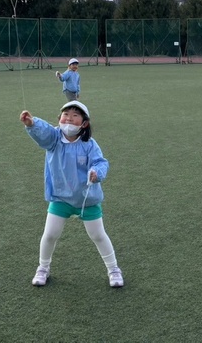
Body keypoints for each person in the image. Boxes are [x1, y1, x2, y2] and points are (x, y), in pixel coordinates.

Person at [20, 100, 124, 288]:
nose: (69, 119)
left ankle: (114, 269)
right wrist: (32, 123)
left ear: (84, 123)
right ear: (59, 118)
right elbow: (43, 133)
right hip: (60, 198)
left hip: (87, 199)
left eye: (75, 115)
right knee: (50, 235)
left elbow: (100, 163)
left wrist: (96, 173)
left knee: (98, 235)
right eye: (65, 114)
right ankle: (43, 268)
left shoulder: (89, 144)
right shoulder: (54, 139)